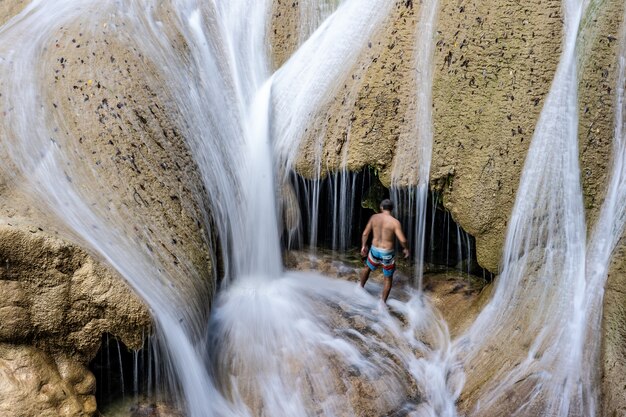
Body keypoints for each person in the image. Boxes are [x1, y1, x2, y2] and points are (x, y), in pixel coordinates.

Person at [359, 198, 409, 304]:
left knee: (367, 267)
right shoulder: (395, 222)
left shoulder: (374, 218)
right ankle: (382, 303)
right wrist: (406, 249)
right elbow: (403, 239)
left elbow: (365, 234)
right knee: (388, 278)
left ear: (381, 208)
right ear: (392, 209)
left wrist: (364, 246)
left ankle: (360, 287)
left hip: (374, 250)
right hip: (387, 253)